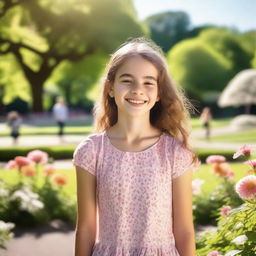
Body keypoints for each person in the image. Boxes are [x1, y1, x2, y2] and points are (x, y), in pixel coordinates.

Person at [73, 37, 199, 256]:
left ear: (159, 93)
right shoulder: (91, 151)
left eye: (148, 82)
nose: (137, 90)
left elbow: (184, 230)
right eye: (127, 80)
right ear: (110, 88)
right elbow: (85, 228)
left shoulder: (174, 153)